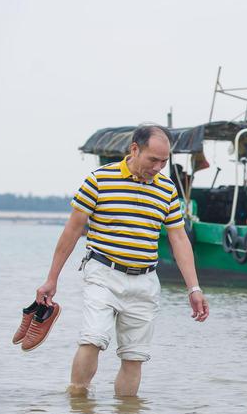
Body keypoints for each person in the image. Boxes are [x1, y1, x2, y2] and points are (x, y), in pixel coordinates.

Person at [35, 124, 210, 397]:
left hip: (145, 280)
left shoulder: (167, 189)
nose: (158, 167)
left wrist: (194, 289)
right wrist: (51, 279)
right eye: (153, 159)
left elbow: (178, 239)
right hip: (103, 272)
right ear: (134, 149)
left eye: (164, 161)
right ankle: (78, 408)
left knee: (134, 357)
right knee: (92, 340)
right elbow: (72, 230)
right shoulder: (98, 180)